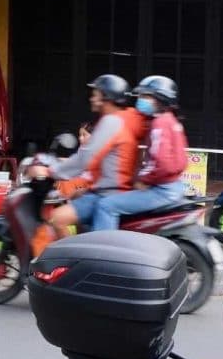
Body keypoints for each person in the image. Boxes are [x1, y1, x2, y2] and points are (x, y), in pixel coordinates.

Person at [36, 74, 143, 238]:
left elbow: (86, 157)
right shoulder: (125, 118)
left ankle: (74, 261)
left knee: (57, 219)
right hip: (107, 189)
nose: (92, 99)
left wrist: (50, 172)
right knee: (76, 198)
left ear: (106, 97)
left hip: (109, 193)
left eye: (95, 95)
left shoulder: (112, 122)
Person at [95, 76, 191, 230]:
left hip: (162, 190)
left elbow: (160, 162)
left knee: (106, 205)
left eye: (146, 96)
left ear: (160, 99)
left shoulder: (159, 124)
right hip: (175, 186)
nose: (140, 100)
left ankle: (102, 249)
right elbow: (182, 161)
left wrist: (143, 179)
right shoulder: (172, 121)